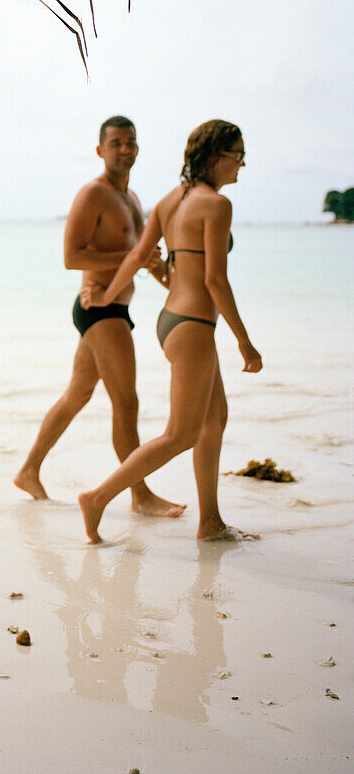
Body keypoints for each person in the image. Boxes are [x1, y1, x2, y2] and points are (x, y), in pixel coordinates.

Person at [77, 119, 262, 543]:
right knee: (180, 434)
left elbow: (140, 255)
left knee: (214, 419)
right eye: (238, 155)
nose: (243, 165)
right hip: (195, 325)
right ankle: (99, 497)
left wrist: (107, 296)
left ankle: (210, 521)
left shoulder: (169, 200)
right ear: (217, 157)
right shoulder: (216, 205)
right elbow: (215, 280)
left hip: (172, 321)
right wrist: (244, 340)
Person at [14, 116, 184, 518]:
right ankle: (140, 496)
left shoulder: (131, 198)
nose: (125, 149)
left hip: (114, 308)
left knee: (78, 394)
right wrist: (131, 258)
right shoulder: (93, 193)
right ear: (100, 150)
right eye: (116, 143)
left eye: (131, 142)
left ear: (138, 148)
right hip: (100, 309)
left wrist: (185, 290)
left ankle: (29, 469)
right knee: (127, 403)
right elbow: (72, 258)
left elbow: (146, 259)